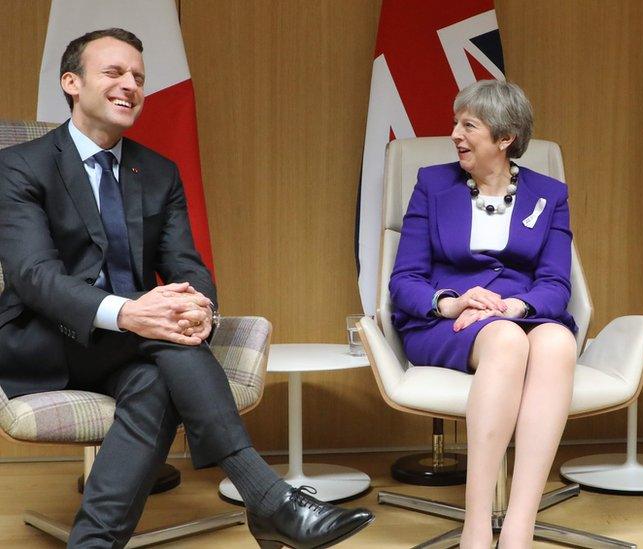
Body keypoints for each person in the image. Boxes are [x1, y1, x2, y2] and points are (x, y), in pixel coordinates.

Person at [0, 28, 373, 548]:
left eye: (138, 77)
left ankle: (94, 543)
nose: (129, 84)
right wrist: (131, 315)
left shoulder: (156, 171)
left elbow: (187, 267)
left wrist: (200, 309)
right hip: (49, 338)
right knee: (164, 340)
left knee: (155, 384)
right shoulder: (19, 165)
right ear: (71, 83)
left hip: (142, 346)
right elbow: (32, 275)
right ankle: (268, 500)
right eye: (114, 72)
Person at [390, 80, 578, 549]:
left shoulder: (548, 194)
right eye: (457, 123)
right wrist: (449, 301)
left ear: (504, 138)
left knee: (556, 342)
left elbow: (556, 283)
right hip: (446, 320)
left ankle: (519, 526)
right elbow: (404, 279)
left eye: (468, 125)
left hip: (519, 313)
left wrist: (520, 306)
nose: (455, 133)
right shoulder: (432, 185)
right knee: (506, 340)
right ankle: (476, 526)